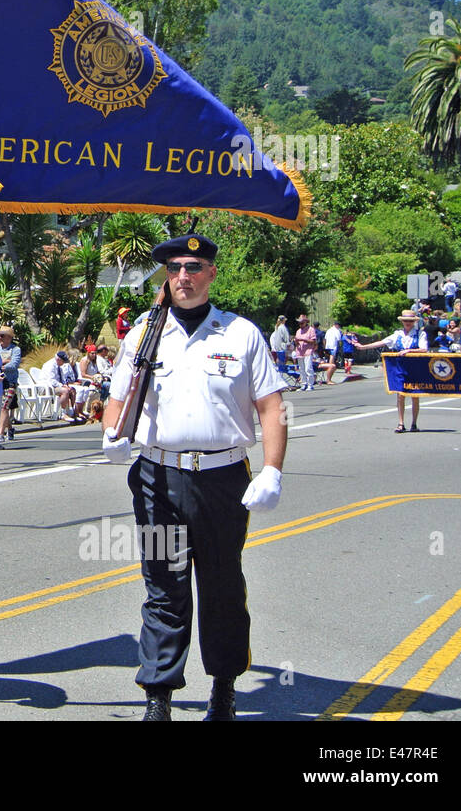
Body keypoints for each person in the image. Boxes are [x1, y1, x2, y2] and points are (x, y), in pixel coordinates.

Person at [101, 233, 288, 721]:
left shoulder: (241, 333)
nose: (183, 275)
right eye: (176, 267)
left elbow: (271, 407)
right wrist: (112, 433)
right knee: (163, 586)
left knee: (222, 584)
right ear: (167, 276)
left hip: (223, 480)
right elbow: (118, 397)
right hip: (158, 478)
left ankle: (223, 689)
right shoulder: (144, 332)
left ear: (211, 274)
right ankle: (158, 697)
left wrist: (272, 470)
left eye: (194, 266)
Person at [354, 308, 429, 432]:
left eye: (410, 320)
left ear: (414, 322)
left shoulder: (420, 334)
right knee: (400, 395)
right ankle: (401, 423)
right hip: (400, 367)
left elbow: (424, 349)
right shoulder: (398, 334)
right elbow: (382, 342)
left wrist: (409, 350)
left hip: (415, 367)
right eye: (405, 320)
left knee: (415, 395)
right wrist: (363, 347)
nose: (407, 323)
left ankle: (414, 423)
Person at [0, 326, 22, 441]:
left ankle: (1, 433)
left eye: (3, 335)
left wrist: (1, 365)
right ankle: (10, 428)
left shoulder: (15, 350)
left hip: (10, 382)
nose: (0, 338)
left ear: (9, 338)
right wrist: (5, 361)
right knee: (0, 408)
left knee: (4, 406)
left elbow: (14, 364)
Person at [293, 314, 316, 391]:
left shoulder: (311, 329)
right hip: (300, 351)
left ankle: (310, 384)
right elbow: (296, 342)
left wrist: (303, 340)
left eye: (302, 323)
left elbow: (313, 341)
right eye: (299, 323)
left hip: (308, 351)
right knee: (301, 369)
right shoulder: (298, 331)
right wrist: (296, 341)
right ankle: (303, 384)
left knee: (308, 368)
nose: (300, 324)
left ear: (306, 322)